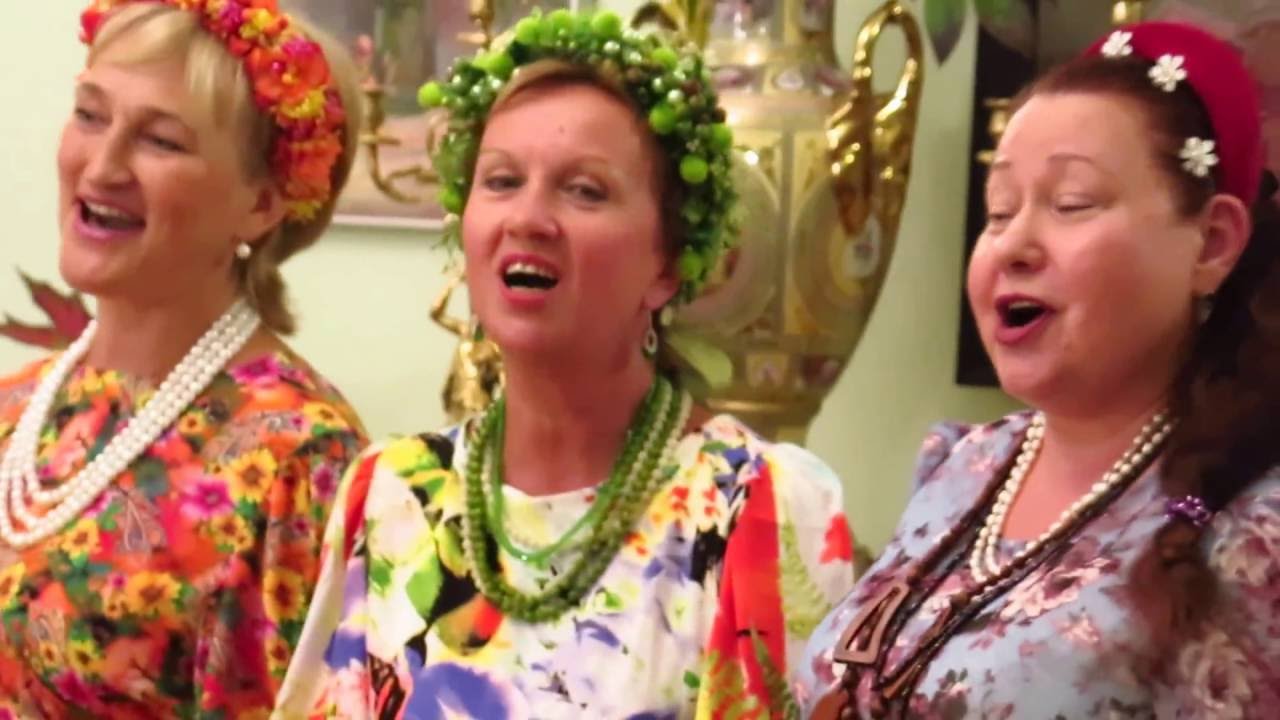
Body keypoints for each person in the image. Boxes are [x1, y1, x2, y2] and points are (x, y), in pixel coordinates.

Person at [275, 9, 857, 718]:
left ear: (668, 265)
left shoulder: (756, 506)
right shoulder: (390, 492)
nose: (527, 218)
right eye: (501, 181)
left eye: (585, 190)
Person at [797, 20, 1280, 719]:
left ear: (1211, 243)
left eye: (1071, 203)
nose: (1013, 244)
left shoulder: (1252, 527)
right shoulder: (965, 465)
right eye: (998, 212)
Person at [0, 1, 367, 716]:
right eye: (90, 115)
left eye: (161, 141)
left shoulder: (297, 461)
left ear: (262, 203)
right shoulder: (20, 409)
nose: (102, 165)